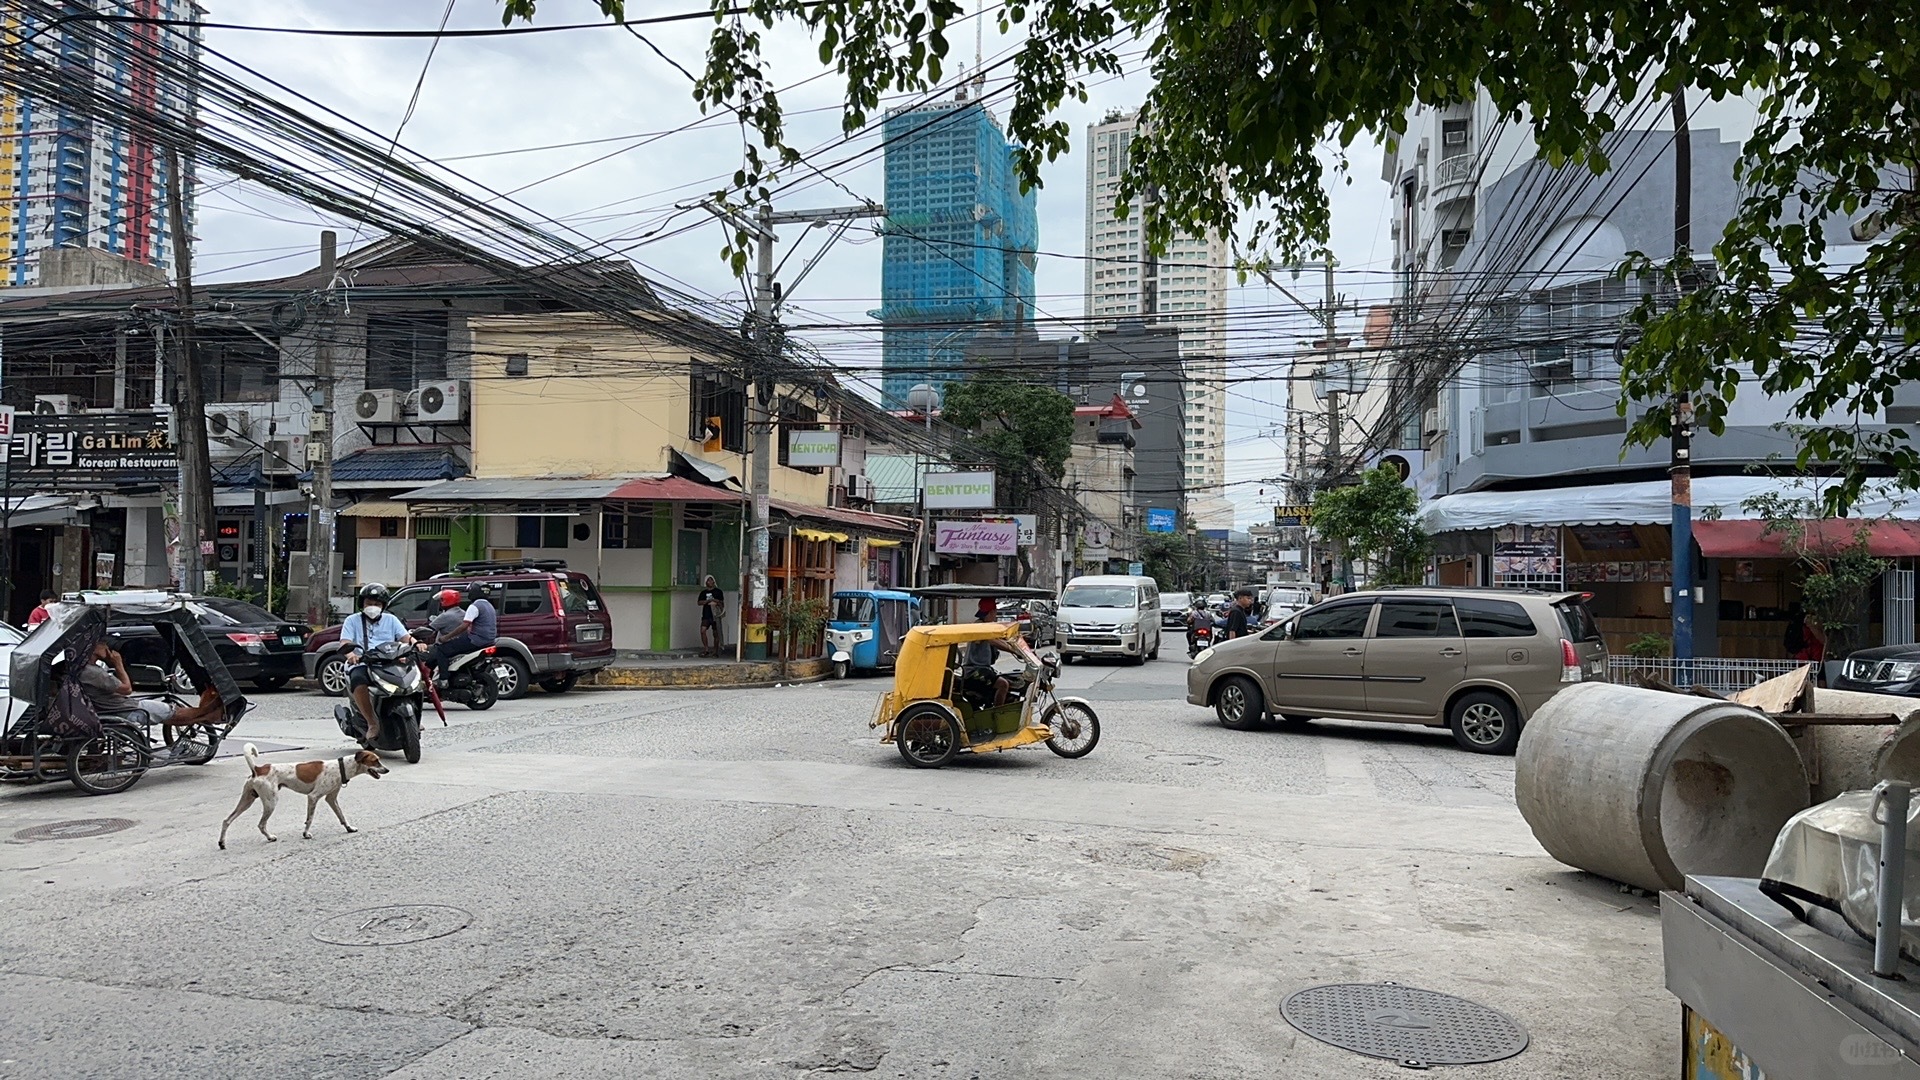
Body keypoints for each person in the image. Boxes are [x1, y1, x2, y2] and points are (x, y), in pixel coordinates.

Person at [77, 639, 224, 745]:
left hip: (111, 708)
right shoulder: (93, 673)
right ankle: (208, 712)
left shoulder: (79, 668)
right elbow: (127, 689)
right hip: (124, 710)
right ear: (93, 648)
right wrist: (118, 664)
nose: (106, 646)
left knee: (167, 715)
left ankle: (204, 714)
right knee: (172, 712)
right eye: (102, 644)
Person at [341, 583, 409, 745]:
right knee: (358, 680)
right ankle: (372, 722)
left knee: (410, 678)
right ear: (362, 605)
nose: (373, 607)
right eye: (369, 604)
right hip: (362, 663)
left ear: (383, 606)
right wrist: (351, 655)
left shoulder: (391, 620)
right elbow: (345, 642)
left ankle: (413, 716)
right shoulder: (352, 621)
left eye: (377, 604)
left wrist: (417, 643)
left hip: (388, 662)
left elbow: (406, 638)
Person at [959, 598, 1038, 708]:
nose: (995, 616)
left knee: (1010, 679)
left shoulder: (987, 626)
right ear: (992, 612)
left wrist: (1019, 646)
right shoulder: (980, 626)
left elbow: (1000, 638)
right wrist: (1013, 650)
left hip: (982, 669)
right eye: (994, 613)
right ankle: (997, 713)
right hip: (975, 671)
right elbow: (994, 641)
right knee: (1003, 684)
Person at [425, 585, 498, 678]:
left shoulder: (474, 606)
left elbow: (464, 626)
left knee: (442, 650)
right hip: (490, 641)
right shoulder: (489, 605)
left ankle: (444, 679)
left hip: (476, 640)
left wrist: (446, 637)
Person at [697, 575, 726, 657]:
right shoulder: (703, 593)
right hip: (706, 614)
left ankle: (715, 651)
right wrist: (707, 601)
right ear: (705, 582)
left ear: (714, 581)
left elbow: (722, 603)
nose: (710, 582)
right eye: (708, 580)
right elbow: (699, 602)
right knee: (703, 630)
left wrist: (716, 601)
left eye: (711, 580)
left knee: (716, 633)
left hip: (715, 614)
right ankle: (706, 649)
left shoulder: (718, 592)